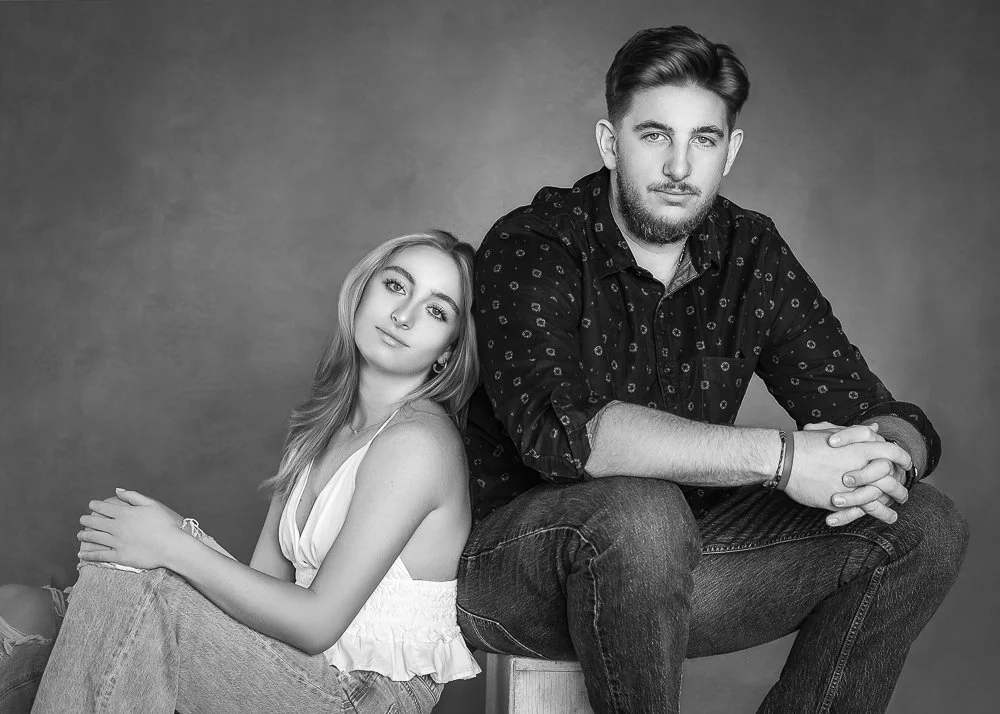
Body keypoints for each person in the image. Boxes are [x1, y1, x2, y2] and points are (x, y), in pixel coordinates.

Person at [458, 26, 968, 714]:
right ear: (611, 143)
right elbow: (568, 436)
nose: (678, 165)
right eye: (654, 136)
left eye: (702, 140)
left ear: (730, 152)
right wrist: (784, 458)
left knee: (922, 525)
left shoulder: (749, 249)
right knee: (642, 512)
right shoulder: (534, 243)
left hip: (681, 568)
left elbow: (872, 407)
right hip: (519, 575)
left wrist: (884, 461)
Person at [1, 230, 482, 713]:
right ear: (363, 291)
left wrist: (174, 545)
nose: (403, 315)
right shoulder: (319, 429)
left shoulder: (418, 444)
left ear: (448, 350)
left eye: (436, 311)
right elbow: (258, 593)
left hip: (359, 697)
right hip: (295, 667)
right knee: (33, 613)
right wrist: (172, 537)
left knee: (130, 579)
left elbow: (316, 624)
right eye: (396, 286)